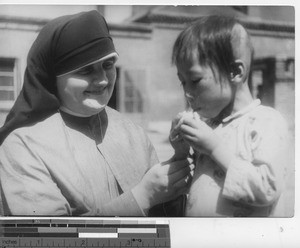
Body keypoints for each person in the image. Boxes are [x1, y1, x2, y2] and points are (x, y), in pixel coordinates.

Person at [0, 10, 193, 216]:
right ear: (52, 78)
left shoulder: (132, 133)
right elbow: (47, 238)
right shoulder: (23, 147)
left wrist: (179, 163)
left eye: (108, 65)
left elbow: (166, 220)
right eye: (85, 70)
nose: (102, 80)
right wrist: (141, 198)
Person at [169, 15, 289, 217]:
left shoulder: (267, 122)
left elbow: (267, 188)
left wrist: (214, 147)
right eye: (183, 82)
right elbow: (198, 188)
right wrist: (182, 152)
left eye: (195, 80)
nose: (187, 93)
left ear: (235, 72)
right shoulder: (210, 126)